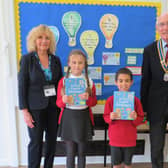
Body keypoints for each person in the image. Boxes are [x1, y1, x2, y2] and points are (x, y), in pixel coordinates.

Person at [18, 24, 63, 168]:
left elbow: (61, 84)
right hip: (34, 109)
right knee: (36, 142)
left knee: (51, 142)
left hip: (53, 108)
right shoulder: (27, 59)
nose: (44, 41)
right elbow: (22, 85)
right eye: (40, 37)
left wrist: (63, 105)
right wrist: (25, 111)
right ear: (33, 40)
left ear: (51, 41)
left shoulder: (56, 60)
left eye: (47, 38)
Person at [56, 49, 97, 168]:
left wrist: (87, 99)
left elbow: (94, 102)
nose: (77, 65)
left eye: (80, 63)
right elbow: (58, 103)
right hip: (68, 117)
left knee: (82, 152)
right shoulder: (63, 81)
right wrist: (63, 101)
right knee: (70, 152)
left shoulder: (89, 81)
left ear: (84, 64)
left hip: (83, 117)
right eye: (74, 62)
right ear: (69, 63)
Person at [141, 12, 168, 168]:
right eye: (162, 24)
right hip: (156, 105)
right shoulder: (149, 50)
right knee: (156, 146)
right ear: (157, 28)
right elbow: (145, 80)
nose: (165, 28)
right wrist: (144, 107)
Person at [103, 68, 144, 168]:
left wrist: (135, 118)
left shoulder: (136, 101)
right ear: (116, 82)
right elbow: (105, 117)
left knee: (128, 165)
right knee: (116, 165)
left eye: (127, 81)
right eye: (120, 81)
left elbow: (140, 118)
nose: (124, 84)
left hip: (129, 139)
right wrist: (111, 117)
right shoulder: (110, 100)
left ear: (131, 82)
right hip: (115, 139)